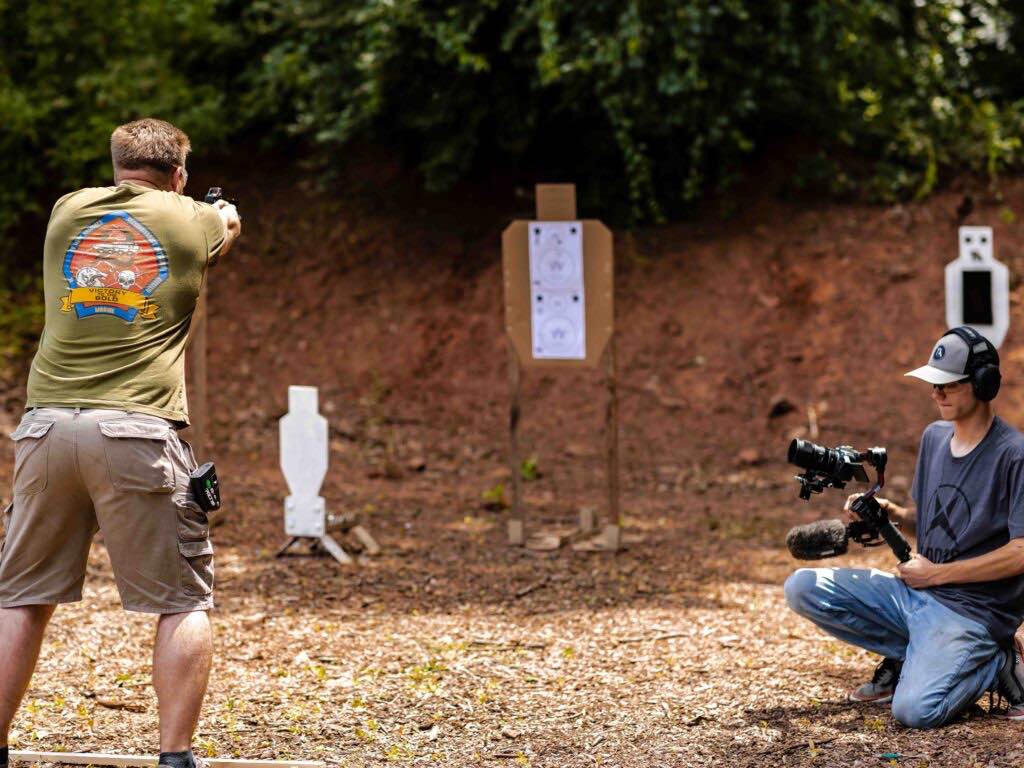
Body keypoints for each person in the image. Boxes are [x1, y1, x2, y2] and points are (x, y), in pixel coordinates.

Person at [0, 118, 241, 768]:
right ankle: (175, 756)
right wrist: (221, 210)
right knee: (181, 599)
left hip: (46, 428)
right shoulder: (193, 219)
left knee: (20, 596)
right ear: (179, 173)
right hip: (135, 428)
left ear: (117, 166)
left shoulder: (67, 210)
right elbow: (225, 231)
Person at [785, 326, 1024, 728]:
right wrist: (890, 511)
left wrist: (936, 575)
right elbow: (926, 521)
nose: (937, 394)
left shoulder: (1014, 455)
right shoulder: (933, 438)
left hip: (972, 614)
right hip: (916, 596)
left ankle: (994, 659)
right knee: (802, 588)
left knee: (914, 711)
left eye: (947, 384)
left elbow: (1022, 552)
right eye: (933, 384)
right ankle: (916, 654)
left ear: (984, 383)